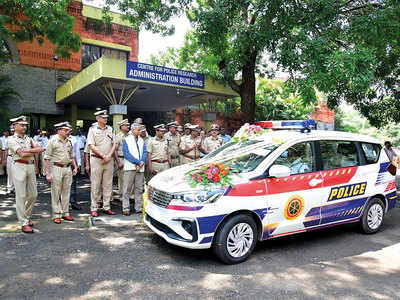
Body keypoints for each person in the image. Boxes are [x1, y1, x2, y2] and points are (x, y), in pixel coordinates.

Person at [7, 116, 44, 233]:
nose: (24, 127)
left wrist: (27, 151)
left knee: (33, 194)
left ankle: (26, 217)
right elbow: (21, 154)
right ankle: (23, 222)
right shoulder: (11, 139)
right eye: (22, 125)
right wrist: (32, 150)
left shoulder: (29, 138)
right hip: (19, 165)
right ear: (15, 126)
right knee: (21, 195)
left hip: (30, 166)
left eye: (25, 125)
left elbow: (40, 149)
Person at [44, 122, 78, 224]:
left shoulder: (69, 142)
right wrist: (48, 173)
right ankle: (56, 214)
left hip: (67, 168)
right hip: (57, 168)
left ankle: (65, 213)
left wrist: (75, 167)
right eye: (66, 130)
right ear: (59, 130)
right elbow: (47, 158)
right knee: (56, 192)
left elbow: (72, 156)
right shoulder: (52, 141)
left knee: (66, 192)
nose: (68, 132)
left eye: (68, 131)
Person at [87, 110, 116, 217]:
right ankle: (94, 207)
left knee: (108, 184)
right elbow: (91, 145)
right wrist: (103, 156)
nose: (105, 119)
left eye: (106, 117)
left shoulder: (111, 129)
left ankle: (106, 207)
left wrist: (108, 156)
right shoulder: (92, 130)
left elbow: (114, 144)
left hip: (109, 160)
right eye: (103, 117)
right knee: (95, 184)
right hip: (96, 160)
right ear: (98, 119)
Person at [122, 123, 148, 215]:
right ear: (133, 130)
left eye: (140, 130)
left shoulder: (141, 140)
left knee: (139, 189)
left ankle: (138, 207)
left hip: (140, 168)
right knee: (127, 189)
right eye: (138, 130)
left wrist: (141, 163)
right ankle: (126, 208)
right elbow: (126, 154)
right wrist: (137, 162)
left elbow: (145, 152)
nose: (140, 132)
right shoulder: (126, 140)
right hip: (130, 167)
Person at [114, 119, 130, 202]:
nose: (128, 127)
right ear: (121, 127)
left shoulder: (130, 135)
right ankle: (121, 196)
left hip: (129, 160)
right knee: (122, 179)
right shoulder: (118, 136)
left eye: (128, 125)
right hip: (121, 158)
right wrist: (118, 162)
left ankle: (128, 195)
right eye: (126, 125)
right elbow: (115, 150)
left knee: (129, 179)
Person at [68, 130, 82, 210]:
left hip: (72, 164)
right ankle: (62, 204)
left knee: (73, 184)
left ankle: (73, 202)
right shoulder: (55, 138)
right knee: (61, 185)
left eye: (69, 129)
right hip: (60, 164)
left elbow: (76, 152)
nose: (67, 131)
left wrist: (78, 163)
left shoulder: (74, 139)